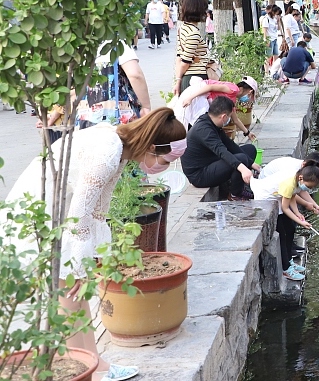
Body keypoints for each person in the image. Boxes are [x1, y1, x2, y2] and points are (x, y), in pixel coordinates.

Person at [6, 108, 188, 380]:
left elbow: (99, 212)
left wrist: (97, 255)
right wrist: (80, 265)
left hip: (62, 210)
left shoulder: (121, 148)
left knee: (76, 293)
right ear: (151, 146)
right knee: (69, 289)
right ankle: (80, 367)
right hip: (42, 209)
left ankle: (93, 364)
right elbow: (79, 217)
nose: (160, 168)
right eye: (162, 161)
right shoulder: (107, 154)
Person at [182, 96, 259, 200]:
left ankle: (234, 182)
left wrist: (252, 163)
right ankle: (236, 193)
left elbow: (229, 145)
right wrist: (243, 168)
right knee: (241, 159)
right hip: (200, 174)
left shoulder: (211, 122)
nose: (229, 120)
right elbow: (222, 152)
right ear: (223, 117)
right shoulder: (204, 130)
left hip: (211, 162)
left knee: (250, 150)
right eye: (229, 117)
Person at [275, 163, 319, 281]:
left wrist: (297, 213)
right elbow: (285, 208)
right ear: (302, 178)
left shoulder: (296, 181)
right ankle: (286, 269)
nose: (308, 189)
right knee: (282, 233)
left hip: (280, 199)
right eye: (309, 186)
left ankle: (289, 261)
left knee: (290, 228)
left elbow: (292, 196)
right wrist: (301, 222)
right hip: (269, 200)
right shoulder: (289, 183)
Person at [174, 0, 211, 94]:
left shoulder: (183, 29)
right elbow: (185, 61)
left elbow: (179, 56)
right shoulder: (193, 33)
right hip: (196, 78)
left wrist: (178, 79)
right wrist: (178, 80)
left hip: (188, 78)